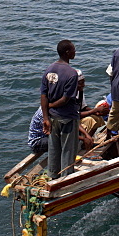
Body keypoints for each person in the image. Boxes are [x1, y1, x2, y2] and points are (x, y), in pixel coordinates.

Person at [40, 39, 81, 179]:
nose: (75, 51)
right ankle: (66, 177)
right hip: (67, 117)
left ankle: (52, 175)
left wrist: (46, 117)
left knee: (54, 148)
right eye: (73, 49)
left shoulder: (49, 69)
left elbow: (43, 95)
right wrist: (51, 106)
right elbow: (65, 99)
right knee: (68, 150)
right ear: (67, 52)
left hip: (52, 118)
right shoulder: (71, 73)